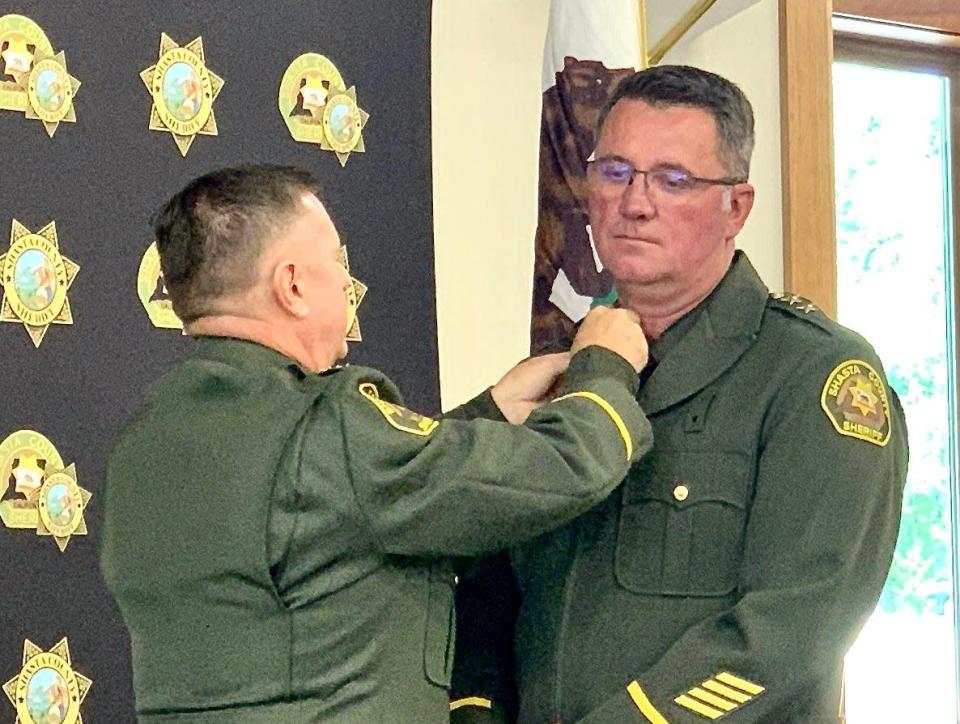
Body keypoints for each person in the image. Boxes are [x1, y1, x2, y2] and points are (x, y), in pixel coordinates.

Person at [100, 164, 654, 722]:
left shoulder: (149, 439)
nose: (347, 283)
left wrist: (489, 414)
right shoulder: (332, 427)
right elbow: (561, 471)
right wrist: (605, 366)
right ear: (292, 286)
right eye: (336, 263)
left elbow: (331, 510)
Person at [450, 65, 908, 723]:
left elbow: (789, 634)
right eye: (614, 172)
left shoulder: (816, 374)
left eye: (674, 180)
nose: (635, 203)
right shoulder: (563, 380)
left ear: (737, 208)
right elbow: (489, 595)